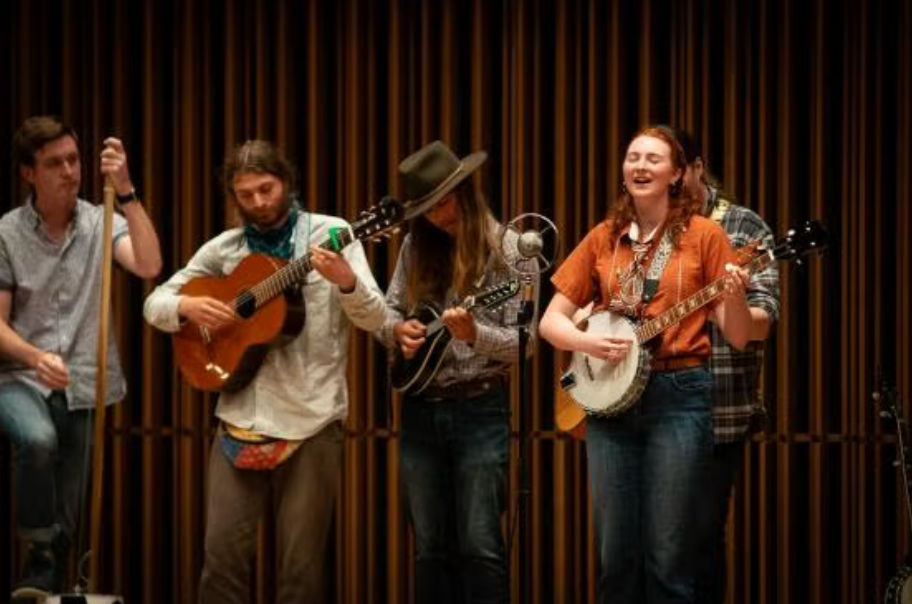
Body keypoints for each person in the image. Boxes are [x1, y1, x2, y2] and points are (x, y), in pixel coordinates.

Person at [143, 140, 387, 604]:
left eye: (266, 189)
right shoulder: (224, 249)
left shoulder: (332, 233)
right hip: (240, 419)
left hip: (313, 418)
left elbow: (377, 319)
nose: (257, 202)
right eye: (246, 194)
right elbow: (154, 303)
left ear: (286, 182)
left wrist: (347, 282)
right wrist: (186, 306)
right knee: (220, 563)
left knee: (301, 572)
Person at [539, 126, 754, 604]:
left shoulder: (705, 236)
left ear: (677, 174)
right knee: (615, 558)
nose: (639, 165)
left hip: (679, 397)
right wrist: (588, 343)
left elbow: (738, 334)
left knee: (669, 559)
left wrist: (736, 295)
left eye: (653, 159)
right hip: (610, 402)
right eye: (633, 157)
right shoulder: (604, 237)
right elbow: (551, 323)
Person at [0, 115, 163, 599]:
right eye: (55, 163)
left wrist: (127, 190)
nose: (70, 171)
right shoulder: (6, 232)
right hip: (19, 376)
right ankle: (39, 553)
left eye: (73, 159)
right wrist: (35, 357)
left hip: (86, 380)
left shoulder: (101, 219)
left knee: (71, 507)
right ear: (29, 172)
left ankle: (47, 577)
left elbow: (149, 264)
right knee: (38, 440)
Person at [378, 140, 537, 604]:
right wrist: (397, 332)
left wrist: (474, 334)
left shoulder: (514, 250)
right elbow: (388, 312)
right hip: (419, 407)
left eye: (443, 203)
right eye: (426, 209)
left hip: (479, 406)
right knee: (429, 546)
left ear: (465, 192)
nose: (437, 216)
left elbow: (526, 343)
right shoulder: (415, 244)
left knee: (480, 544)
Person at [661, 126, 780, 604]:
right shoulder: (644, 221)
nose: (670, 186)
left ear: (697, 167)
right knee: (643, 547)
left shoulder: (743, 228)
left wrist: (722, 304)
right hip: (644, 405)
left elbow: (762, 323)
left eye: (677, 173)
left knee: (698, 545)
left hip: (716, 412)